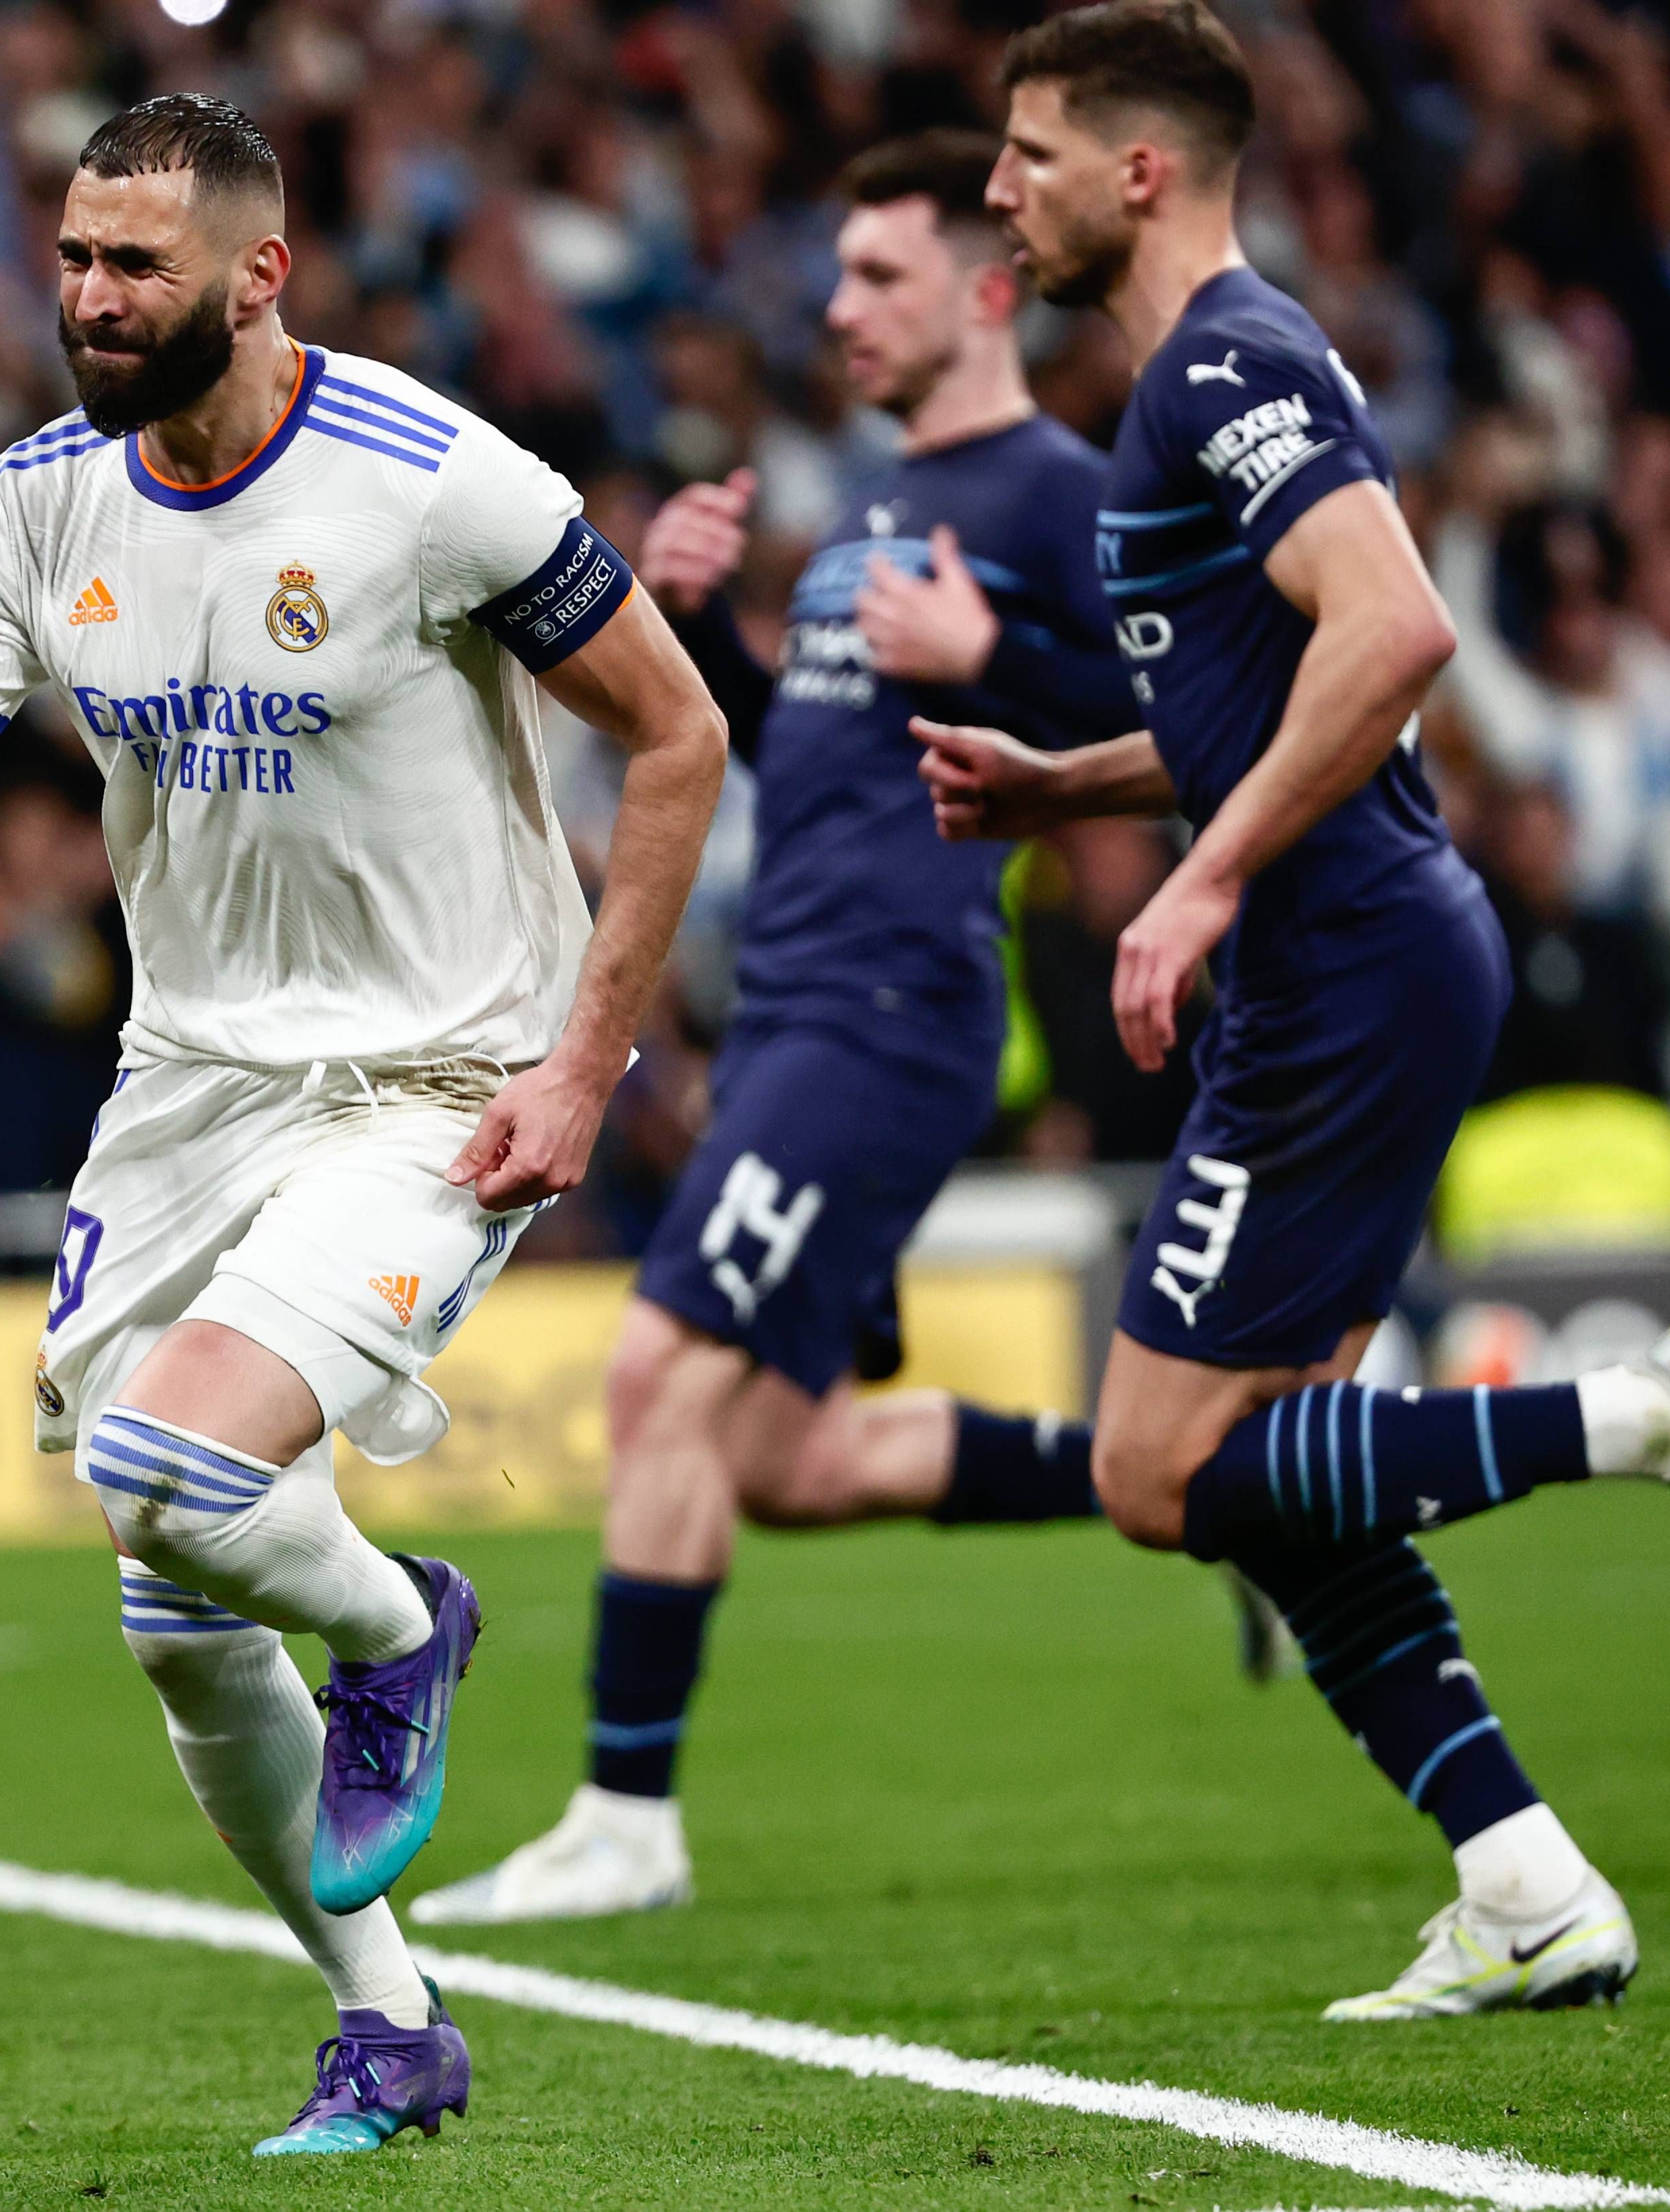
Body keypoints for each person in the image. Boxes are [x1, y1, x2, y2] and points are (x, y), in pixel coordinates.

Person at [0, 96, 723, 2150]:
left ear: (257, 272)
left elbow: (677, 730)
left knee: (173, 1462)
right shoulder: (32, 508)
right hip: (189, 1092)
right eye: (76, 260)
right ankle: (389, 2026)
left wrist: (581, 1063)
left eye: (138, 266)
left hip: (435, 1078)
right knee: (170, 1600)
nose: (94, 301)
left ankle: (405, 1627)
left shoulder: (434, 481)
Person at [917, 0, 1670, 2020]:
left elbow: (1400, 631)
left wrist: (1192, 880)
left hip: (1340, 957)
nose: (998, 189)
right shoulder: (1188, 387)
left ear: (1143, 167)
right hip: (1341, 950)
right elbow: (1276, 700)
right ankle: (1527, 1889)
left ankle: (1658, 1410)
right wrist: (1072, 781)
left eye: (1027, 151)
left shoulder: (1229, 361)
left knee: (1154, 1474)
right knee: (1273, 1475)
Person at [410, 131, 1142, 1929]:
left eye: (880, 276)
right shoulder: (885, 501)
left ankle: (625, 1820)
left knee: (658, 1380)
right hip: (811, 1011)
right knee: (782, 1462)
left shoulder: (1051, 492)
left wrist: (1004, 668)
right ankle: (1221, 1490)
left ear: (988, 292)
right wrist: (704, 628)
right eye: (839, 277)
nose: (839, 309)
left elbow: (1188, 721)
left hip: (886, 1011)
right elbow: (814, 735)